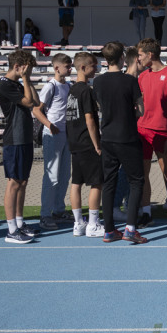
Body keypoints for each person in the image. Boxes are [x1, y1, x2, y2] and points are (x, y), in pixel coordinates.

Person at [94, 41, 148, 244]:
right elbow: (141, 110)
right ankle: (130, 229)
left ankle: (109, 230)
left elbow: (101, 106)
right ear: (122, 58)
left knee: (109, 183)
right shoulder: (129, 81)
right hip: (127, 137)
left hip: (107, 137)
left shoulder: (98, 82)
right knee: (136, 181)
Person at [0, 49, 40, 244]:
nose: (29, 72)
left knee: (23, 182)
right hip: (14, 138)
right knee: (14, 182)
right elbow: (29, 103)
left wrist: (26, 79)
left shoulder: (18, 84)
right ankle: (11, 229)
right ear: (17, 66)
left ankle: (20, 223)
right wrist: (26, 79)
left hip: (25, 138)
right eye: (26, 68)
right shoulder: (4, 85)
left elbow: (37, 102)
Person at [135, 38, 167, 228]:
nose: (138, 58)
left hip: (163, 133)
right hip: (143, 131)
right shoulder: (142, 76)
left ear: (150, 54)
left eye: (140, 54)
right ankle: (146, 213)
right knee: (143, 174)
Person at [66, 51, 104, 238]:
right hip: (87, 142)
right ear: (82, 67)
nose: (95, 68)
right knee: (97, 183)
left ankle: (78, 223)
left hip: (75, 142)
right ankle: (93, 223)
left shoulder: (72, 90)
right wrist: (97, 144)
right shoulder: (86, 91)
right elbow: (89, 120)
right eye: (93, 65)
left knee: (76, 183)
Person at [36, 52, 73, 230]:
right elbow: (37, 110)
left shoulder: (69, 85)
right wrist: (49, 125)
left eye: (70, 65)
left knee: (65, 175)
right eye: (67, 66)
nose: (70, 68)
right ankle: (45, 214)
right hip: (53, 134)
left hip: (66, 134)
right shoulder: (50, 86)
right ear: (57, 67)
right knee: (52, 176)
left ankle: (58, 210)